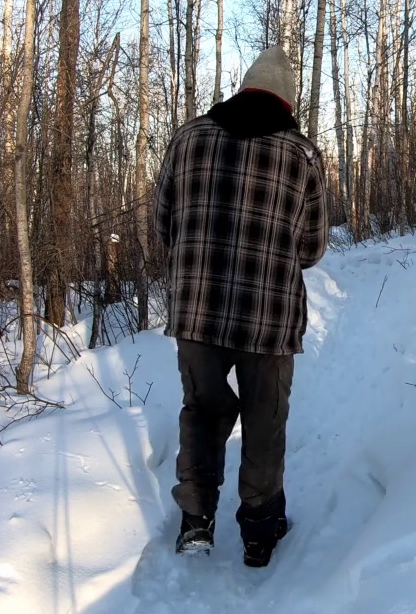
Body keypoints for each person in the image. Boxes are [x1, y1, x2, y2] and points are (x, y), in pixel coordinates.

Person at [154, 46, 328, 567]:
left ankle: (195, 520)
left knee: (202, 412)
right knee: (264, 418)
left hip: (196, 312)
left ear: (243, 87)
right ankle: (258, 530)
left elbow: (164, 224)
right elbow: (312, 248)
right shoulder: (302, 156)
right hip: (269, 318)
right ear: (287, 102)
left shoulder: (187, 139)